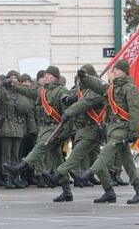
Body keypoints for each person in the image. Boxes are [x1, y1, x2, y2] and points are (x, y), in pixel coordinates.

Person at [71, 60, 139, 204]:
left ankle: (87, 175)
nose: (114, 71)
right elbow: (99, 86)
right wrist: (85, 77)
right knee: (128, 163)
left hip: (123, 129)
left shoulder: (131, 89)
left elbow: (136, 112)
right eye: (114, 69)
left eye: (117, 69)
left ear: (125, 71)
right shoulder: (111, 88)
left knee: (105, 152)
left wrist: (134, 132)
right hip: (112, 129)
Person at [42, 64, 106, 202]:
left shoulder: (97, 90)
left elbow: (85, 102)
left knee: (75, 155)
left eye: (84, 76)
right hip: (81, 130)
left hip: (92, 129)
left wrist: (68, 111)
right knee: (97, 163)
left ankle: (57, 176)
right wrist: (68, 98)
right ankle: (109, 190)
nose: (80, 80)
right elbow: (71, 94)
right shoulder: (82, 88)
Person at [3, 66, 70, 184]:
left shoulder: (62, 91)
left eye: (49, 75)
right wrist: (13, 85)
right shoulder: (42, 91)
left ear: (55, 77)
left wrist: (65, 133)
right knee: (57, 160)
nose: (46, 77)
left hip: (56, 129)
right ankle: (66, 190)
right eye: (45, 75)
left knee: (39, 148)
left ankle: (19, 168)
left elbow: (68, 113)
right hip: (45, 128)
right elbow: (28, 91)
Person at [0, 70, 33, 188]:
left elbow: (27, 108)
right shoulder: (2, 92)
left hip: (19, 127)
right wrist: (1, 83)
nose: (13, 80)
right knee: (6, 154)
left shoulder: (21, 93)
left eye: (15, 78)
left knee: (16, 154)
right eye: (11, 78)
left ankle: (15, 176)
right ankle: (7, 178)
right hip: (6, 126)